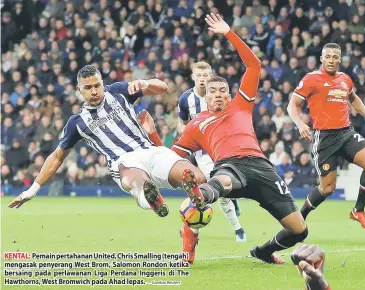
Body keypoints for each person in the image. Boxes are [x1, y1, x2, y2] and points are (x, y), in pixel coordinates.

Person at [144, 14, 308, 265]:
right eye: (213, 92)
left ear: (230, 96)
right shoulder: (197, 124)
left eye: (223, 91)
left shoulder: (242, 104)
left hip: (262, 167)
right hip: (231, 166)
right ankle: (201, 196)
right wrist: (153, 134)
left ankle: (263, 251)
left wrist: (229, 33)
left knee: (299, 230)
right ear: (205, 97)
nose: (218, 95)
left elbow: (254, 66)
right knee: (222, 181)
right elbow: (169, 158)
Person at [8, 65, 206, 216]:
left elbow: (163, 88)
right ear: (79, 90)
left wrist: (146, 83)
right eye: (88, 88)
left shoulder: (118, 90)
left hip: (151, 150)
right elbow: (57, 157)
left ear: (103, 83)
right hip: (123, 162)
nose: (94, 91)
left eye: (97, 85)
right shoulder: (76, 122)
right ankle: (150, 198)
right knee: (138, 182)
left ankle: (189, 191)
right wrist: (33, 190)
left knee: (197, 177)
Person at [287, 43, 365, 231]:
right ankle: (299, 219)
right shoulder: (311, 79)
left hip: (346, 133)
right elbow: (293, 105)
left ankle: (359, 210)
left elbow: (353, 98)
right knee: (327, 188)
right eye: (328, 56)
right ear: (322, 59)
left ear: (340, 59)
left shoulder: (345, 79)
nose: (331, 60)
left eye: (335, 57)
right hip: (324, 138)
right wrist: (300, 124)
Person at [178, 61, 248, 248]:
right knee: (219, 191)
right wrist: (187, 133)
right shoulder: (186, 100)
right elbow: (181, 122)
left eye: (206, 76)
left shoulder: (222, 98)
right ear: (193, 77)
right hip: (202, 153)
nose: (202, 80)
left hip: (223, 148)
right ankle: (238, 229)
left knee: (226, 187)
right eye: (199, 76)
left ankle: (232, 200)